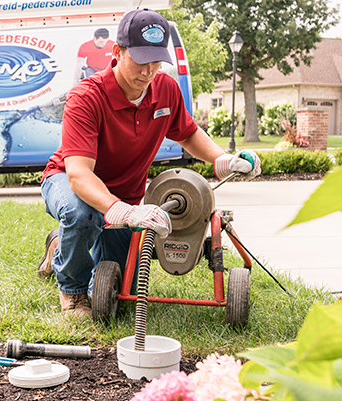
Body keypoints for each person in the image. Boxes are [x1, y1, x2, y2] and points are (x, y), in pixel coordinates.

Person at [38, 8, 261, 319]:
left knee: (117, 294)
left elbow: (187, 132)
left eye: (156, 61)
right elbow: (78, 175)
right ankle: (72, 292)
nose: (148, 70)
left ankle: (59, 248)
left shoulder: (165, 89)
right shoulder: (86, 98)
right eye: (141, 60)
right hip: (69, 182)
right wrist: (122, 212)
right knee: (82, 215)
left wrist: (222, 159)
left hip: (125, 195)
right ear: (117, 52)